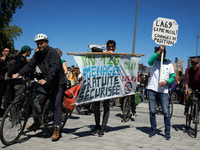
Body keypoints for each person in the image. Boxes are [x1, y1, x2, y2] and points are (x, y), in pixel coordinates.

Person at [12, 33, 66, 141]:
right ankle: (37, 123)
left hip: (57, 82)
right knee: (38, 101)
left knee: (56, 103)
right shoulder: (37, 55)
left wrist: (47, 79)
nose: (40, 45)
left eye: (41, 43)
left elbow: (54, 68)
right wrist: (18, 73)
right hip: (46, 82)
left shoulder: (53, 53)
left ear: (47, 43)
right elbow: (30, 65)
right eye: (38, 44)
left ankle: (56, 127)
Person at [147, 45, 175, 140]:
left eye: (163, 52)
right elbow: (149, 61)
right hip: (152, 89)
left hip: (163, 91)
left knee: (166, 112)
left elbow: (173, 77)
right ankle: (153, 129)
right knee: (152, 111)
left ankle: (167, 131)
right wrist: (158, 51)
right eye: (161, 52)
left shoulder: (169, 64)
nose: (162, 54)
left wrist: (166, 81)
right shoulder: (154, 61)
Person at [90, 40, 116, 137]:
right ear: (106, 47)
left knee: (106, 106)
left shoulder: (118, 57)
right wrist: (104, 52)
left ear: (115, 48)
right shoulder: (102, 53)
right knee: (96, 105)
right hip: (99, 83)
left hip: (109, 84)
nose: (110, 48)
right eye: (109, 47)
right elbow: (93, 49)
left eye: (112, 47)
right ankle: (97, 126)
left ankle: (103, 127)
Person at [0, 48, 10, 112]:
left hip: (4, 80)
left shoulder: (7, 60)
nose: (7, 52)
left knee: (2, 94)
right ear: (2, 52)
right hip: (1, 79)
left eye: (8, 51)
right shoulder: (1, 59)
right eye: (6, 51)